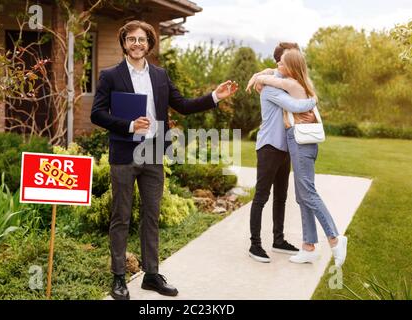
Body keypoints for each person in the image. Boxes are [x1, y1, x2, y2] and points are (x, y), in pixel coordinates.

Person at [90, 20, 238, 300]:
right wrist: (130, 125)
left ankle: (151, 275)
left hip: (154, 153)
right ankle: (119, 277)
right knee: (121, 215)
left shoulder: (160, 75)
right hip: (124, 153)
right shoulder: (110, 75)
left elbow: (182, 105)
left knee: (151, 216)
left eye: (142, 39)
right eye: (131, 39)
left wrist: (215, 97)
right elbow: (97, 114)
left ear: (149, 44)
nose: (137, 44)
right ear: (124, 43)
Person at [250, 49, 348, 266]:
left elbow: (295, 104)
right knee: (272, 196)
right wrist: (260, 77)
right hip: (272, 145)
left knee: (299, 194)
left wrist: (260, 76)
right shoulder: (278, 86)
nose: (277, 65)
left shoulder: (290, 84)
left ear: (290, 67)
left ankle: (329, 239)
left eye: (281, 62)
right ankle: (261, 244)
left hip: (294, 145)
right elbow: (293, 103)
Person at [244, 43, 317, 263]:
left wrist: (261, 73)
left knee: (281, 197)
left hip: (285, 147)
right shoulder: (269, 87)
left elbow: (291, 89)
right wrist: (314, 100)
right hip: (268, 147)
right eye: (285, 59)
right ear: (280, 61)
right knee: (261, 197)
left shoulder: (278, 81)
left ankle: (278, 239)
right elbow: (294, 106)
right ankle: (255, 245)